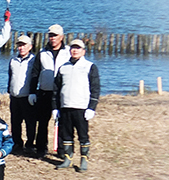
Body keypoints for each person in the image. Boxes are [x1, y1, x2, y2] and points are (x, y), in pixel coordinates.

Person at [53, 39, 100, 171]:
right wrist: (55, 107)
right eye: (73, 48)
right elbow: (56, 89)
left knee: (83, 135)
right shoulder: (63, 67)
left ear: (83, 51)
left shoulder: (90, 66)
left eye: (78, 48)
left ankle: (84, 159)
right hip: (65, 106)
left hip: (81, 107)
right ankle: (67, 158)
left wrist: (91, 107)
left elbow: (95, 88)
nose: (75, 50)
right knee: (66, 134)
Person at [28, 24, 72, 157]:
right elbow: (35, 73)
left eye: (55, 35)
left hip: (62, 93)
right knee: (42, 122)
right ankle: (41, 148)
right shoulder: (42, 53)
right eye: (51, 35)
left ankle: (62, 149)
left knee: (63, 122)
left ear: (62, 37)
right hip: (44, 92)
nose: (52, 38)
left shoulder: (68, 52)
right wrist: (32, 91)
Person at [7, 35, 37, 154]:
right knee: (15, 121)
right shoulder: (13, 60)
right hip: (14, 96)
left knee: (30, 122)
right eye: (19, 45)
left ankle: (30, 144)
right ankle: (17, 143)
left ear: (30, 47)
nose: (21, 48)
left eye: (24, 45)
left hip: (27, 96)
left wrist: (33, 93)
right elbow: (10, 76)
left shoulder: (34, 60)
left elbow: (35, 77)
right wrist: (9, 90)